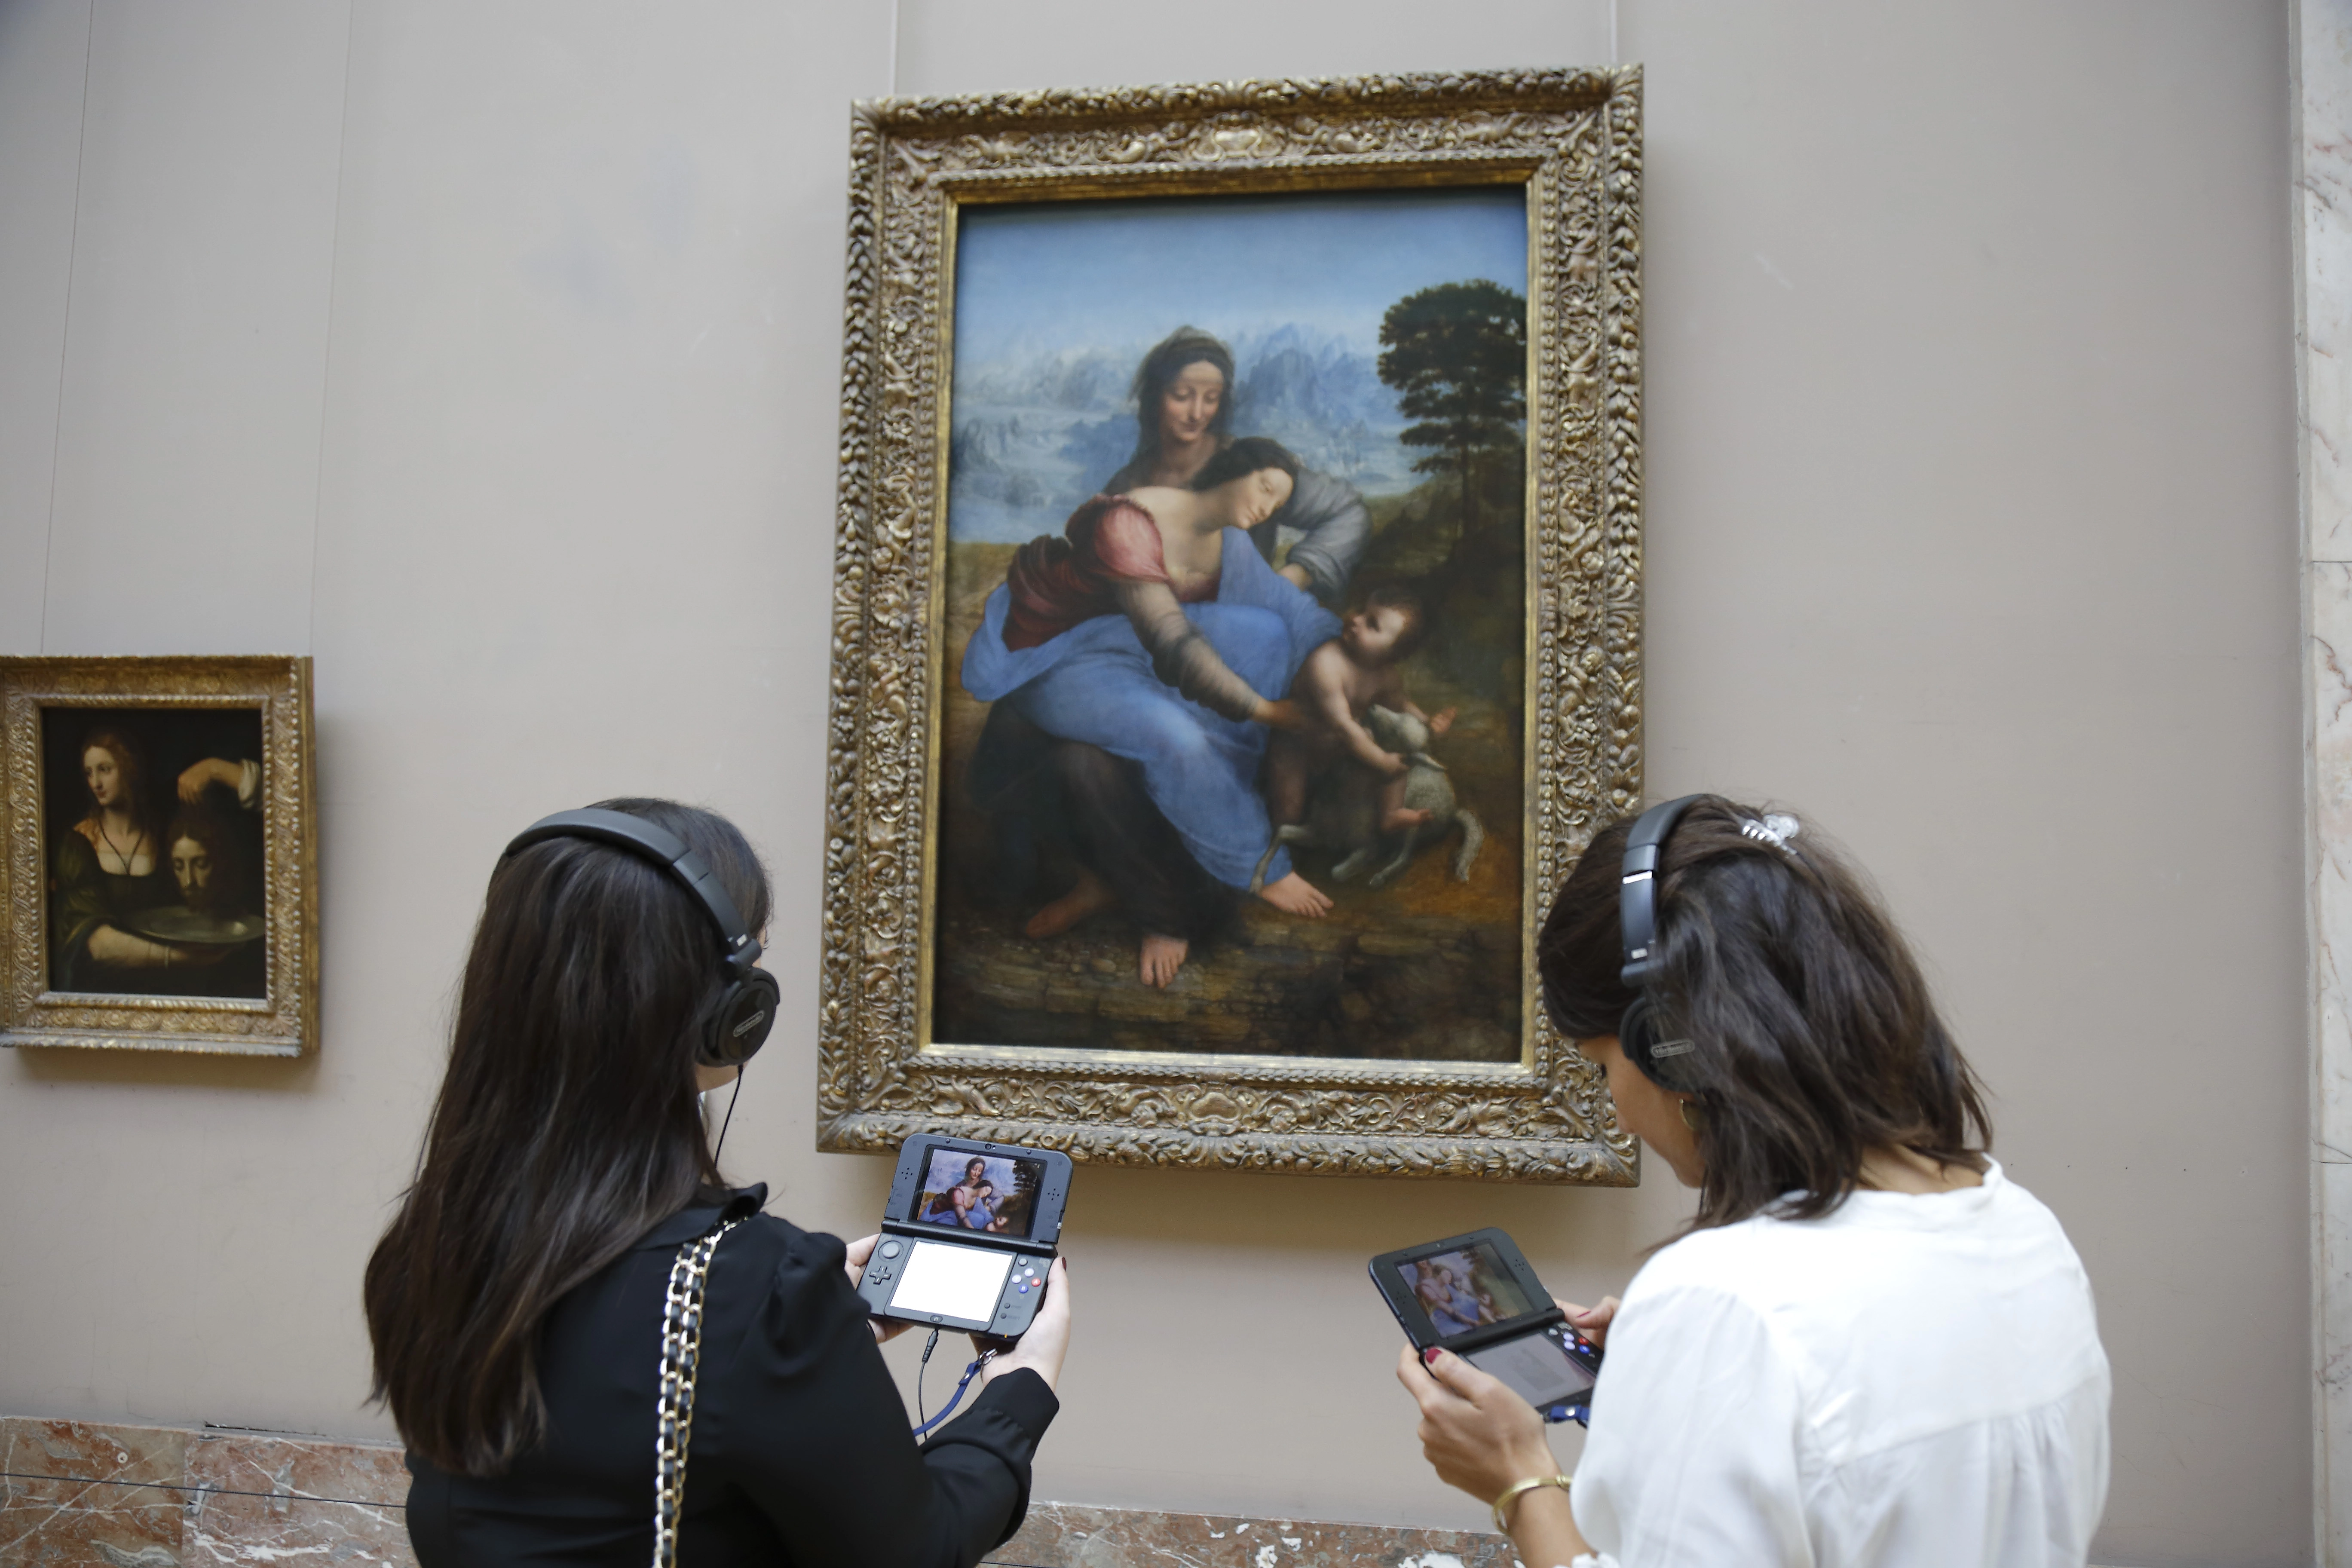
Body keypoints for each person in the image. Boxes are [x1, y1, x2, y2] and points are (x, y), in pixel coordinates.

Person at [1395, 795, 2109, 1568]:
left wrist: (1519, 1482)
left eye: (1605, 1067)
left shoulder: (1724, 1303)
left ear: (1669, 1045)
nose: (1621, 1113)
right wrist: (1671, 1378)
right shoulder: (2025, 1231)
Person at [364, 799, 1072, 1566]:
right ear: (729, 1012)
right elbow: (915, 1549)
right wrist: (1021, 1380)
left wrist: (795, 1345)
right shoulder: (756, 1291)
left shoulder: (426, 1249)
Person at [962, 439, 1342, 987]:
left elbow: (1296, 614)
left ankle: (1191, 822)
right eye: (1264, 487)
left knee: (1268, 634)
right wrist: (1268, 712)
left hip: (1123, 650)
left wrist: (1343, 659)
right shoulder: (1128, 522)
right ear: (1235, 468)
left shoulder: (1229, 544)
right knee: (1177, 738)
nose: (1267, 507)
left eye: (1278, 504)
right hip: (1062, 661)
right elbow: (1172, 643)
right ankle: (1256, 870)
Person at [1100, 326, 1371, 607]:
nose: (1197, 413)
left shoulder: (1249, 465)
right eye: (1181, 396)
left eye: (1211, 398)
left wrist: (1298, 574)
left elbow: (1347, 513)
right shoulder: (1128, 486)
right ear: (1156, 397)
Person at [1262, 585, 1454, 834]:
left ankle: (1390, 814)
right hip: (1299, 745)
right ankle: (1279, 845)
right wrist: (1381, 761)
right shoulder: (1326, 663)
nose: (1355, 619)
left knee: (1396, 757)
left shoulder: (1386, 675)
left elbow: (1400, 707)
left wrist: (1427, 723)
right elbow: (1343, 726)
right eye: (1362, 610)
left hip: (1343, 748)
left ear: (1393, 653)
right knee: (1289, 813)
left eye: (1371, 624)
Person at [48, 727, 220, 992]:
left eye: (105, 770)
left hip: (163, 986)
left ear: (128, 769)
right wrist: (178, 958)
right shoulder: (77, 844)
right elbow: (95, 944)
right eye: (89, 773)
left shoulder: (162, 835)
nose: (96, 783)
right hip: (100, 987)